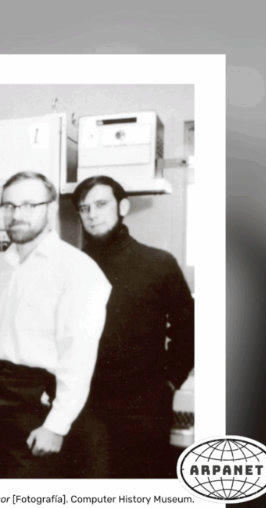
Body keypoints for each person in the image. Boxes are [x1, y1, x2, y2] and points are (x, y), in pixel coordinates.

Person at [0, 171, 110, 478]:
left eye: (28, 205)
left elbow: (78, 356)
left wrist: (56, 425)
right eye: (8, 206)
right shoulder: (3, 266)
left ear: (50, 208)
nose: (16, 214)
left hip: (36, 399)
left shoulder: (77, 269)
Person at [73, 175, 195, 478]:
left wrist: (170, 381)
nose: (92, 214)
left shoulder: (158, 263)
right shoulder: (70, 266)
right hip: (83, 404)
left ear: (123, 207)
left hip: (143, 405)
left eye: (101, 204)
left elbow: (189, 329)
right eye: (84, 208)